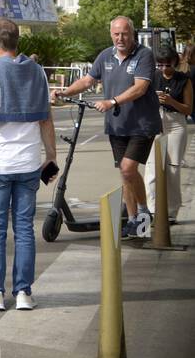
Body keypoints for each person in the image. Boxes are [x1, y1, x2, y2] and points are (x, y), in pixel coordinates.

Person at [0, 18, 57, 312]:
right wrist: (51, 156)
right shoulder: (37, 72)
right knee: (24, 229)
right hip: (29, 162)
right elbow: (46, 119)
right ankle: (23, 293)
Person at [56, 16, 161, 237]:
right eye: (116, 34)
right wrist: (65, 92)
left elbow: (140, 88)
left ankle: (143, 212)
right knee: (125, 173)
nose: (120, 38)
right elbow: (87, 81)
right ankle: (132, 220)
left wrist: (112, 101)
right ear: (111, 34)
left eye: (124, 34)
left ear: (132, 34)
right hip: (117, 125)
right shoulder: (105, 56)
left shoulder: (144, 55)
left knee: (128, 168)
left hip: (142, 124)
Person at [145, 46, 190, 221]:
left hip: (176, 124)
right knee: (152, 169)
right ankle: (152, 210)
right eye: (160, 64)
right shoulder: (152, 77)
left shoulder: (184, 80)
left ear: (175, 62)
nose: (164, 68)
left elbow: (188, 109)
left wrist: (171, 101)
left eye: (168, 64)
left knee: (172, 169)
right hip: (155, 121)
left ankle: (171, 212)